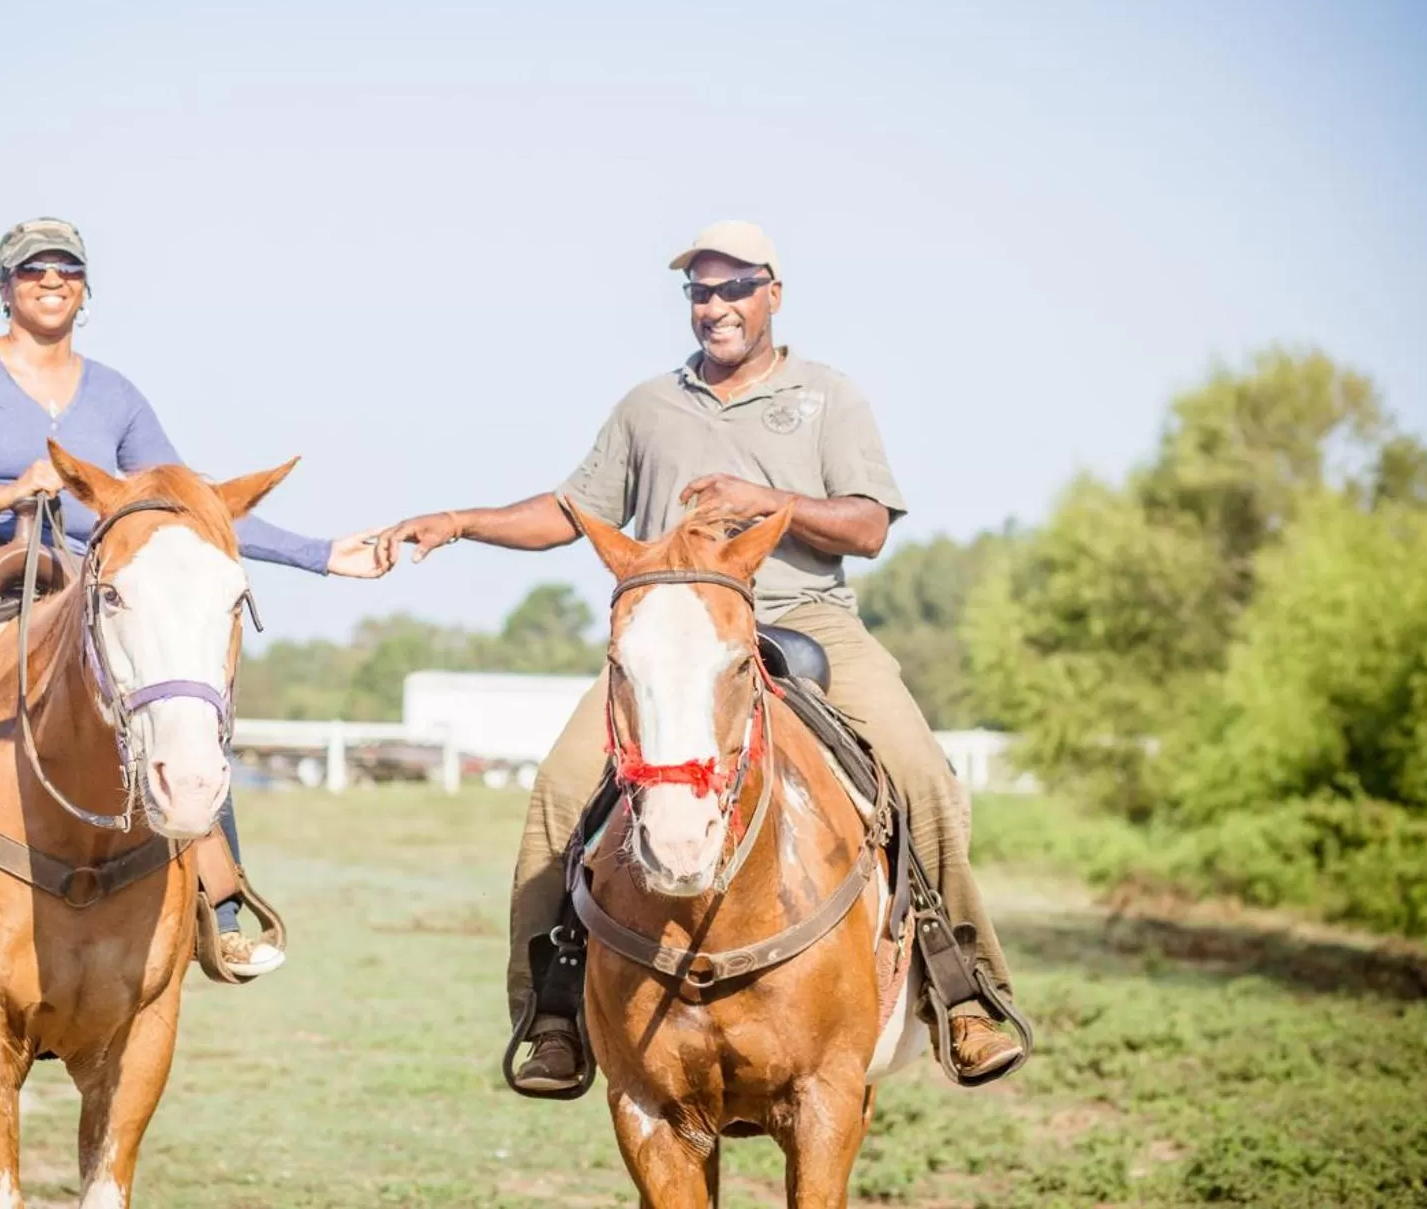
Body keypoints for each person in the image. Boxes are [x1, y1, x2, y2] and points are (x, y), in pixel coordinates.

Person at [377, 220, 1024, 1087]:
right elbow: (570, 512)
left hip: (810, 620)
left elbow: (867, 525)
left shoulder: (827, 396)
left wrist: (763, 497)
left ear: (773, 294)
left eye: (733, 288)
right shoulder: (649, 407)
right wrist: (460, 522)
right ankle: (555, 1015)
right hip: (674, 635)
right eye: (700, 292)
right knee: (561, 789)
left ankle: (965, 992)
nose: (715, 306)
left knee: (922, 774)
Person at [0, 217, 387, 995]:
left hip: (73, 581)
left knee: (178, 690)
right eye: (33, 270)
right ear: (5, 289)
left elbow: (187, 505)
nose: (51, 280)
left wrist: (322, 554)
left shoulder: (117, 396)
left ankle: (221, 908)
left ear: (86, 290)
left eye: (66, 269)